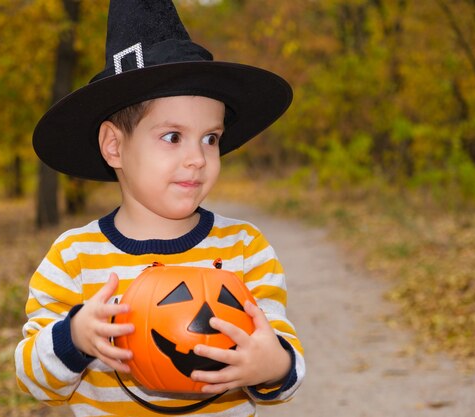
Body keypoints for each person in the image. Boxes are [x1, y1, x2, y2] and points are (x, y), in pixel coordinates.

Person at [15, 1, 305, 416]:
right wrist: (74, 336)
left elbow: (282, 378)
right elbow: (33, 380)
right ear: (114, 146)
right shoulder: (74, 259)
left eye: (210, 138)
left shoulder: (244, 248)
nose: (197, 159)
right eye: (173, 137)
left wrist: (272, 364)